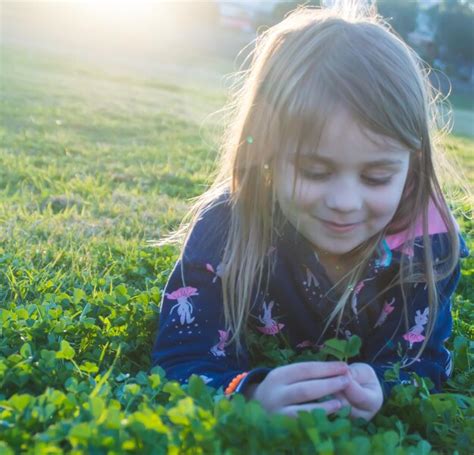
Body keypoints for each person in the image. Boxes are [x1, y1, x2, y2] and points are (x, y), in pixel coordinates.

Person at [151, 3, 470, 421]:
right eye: (315, 171)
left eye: (376, 178)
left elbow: (424, 361)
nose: (344, 201)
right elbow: (182, 357)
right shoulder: (227, 228)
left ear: (412, 165)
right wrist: (247, 394)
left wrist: (385, 386)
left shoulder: (427, 244)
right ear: (267, 152)